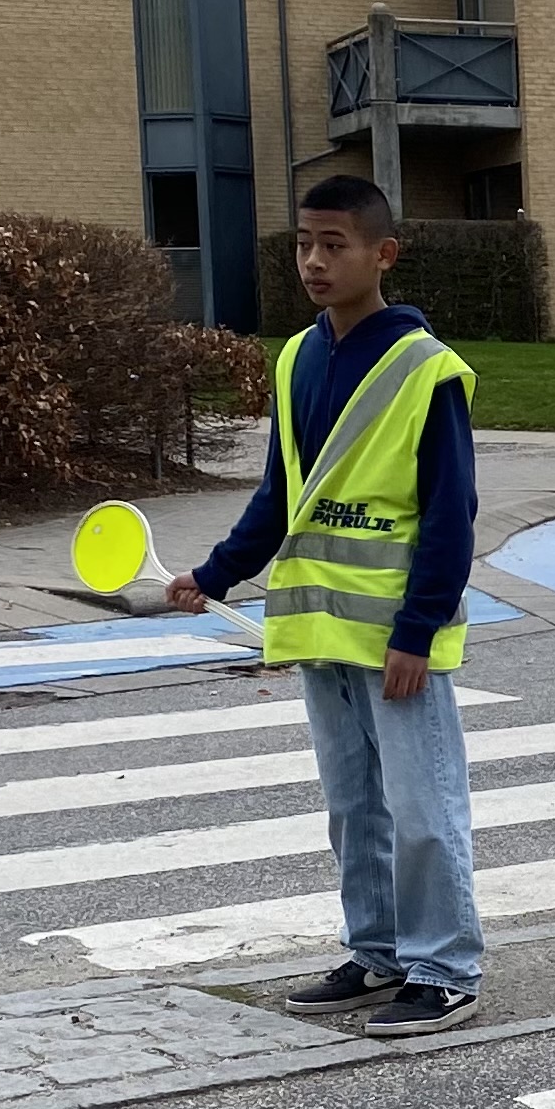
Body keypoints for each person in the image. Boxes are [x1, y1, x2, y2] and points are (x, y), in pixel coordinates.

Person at [172, 176, 486, 1035]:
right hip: (320, 627)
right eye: (304, 242)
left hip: (397, 638)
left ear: (383, 254)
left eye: (334, 244)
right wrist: (216, 572)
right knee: (355, 809)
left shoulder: (429, 371)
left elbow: (450, 514)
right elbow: (284, 494)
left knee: (423, 808)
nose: (314, 259)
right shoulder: (298, 357)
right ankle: (378, 952)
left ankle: (445, 967)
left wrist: (418, 629)